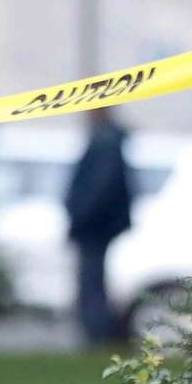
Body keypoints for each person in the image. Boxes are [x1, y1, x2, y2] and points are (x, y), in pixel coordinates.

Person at [65, 111, 132, 345]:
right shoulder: (109, 140)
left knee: (91, 282)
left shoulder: (104, 142)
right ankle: (98, 331)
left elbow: (98, 188)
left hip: (94, 226)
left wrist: (81, 214)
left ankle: (97, 332)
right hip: (99, 225)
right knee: (94, 280)